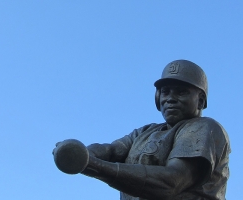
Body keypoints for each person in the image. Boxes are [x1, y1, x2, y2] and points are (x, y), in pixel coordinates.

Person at [55, 60, 231, 200]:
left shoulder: (204, 128)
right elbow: (110, 150)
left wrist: (90, 165)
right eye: (165, 92)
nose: (170, 98)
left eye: (181, 92)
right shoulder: (145, 132)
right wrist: (81, 152)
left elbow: (171, 182)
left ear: (200, 100)